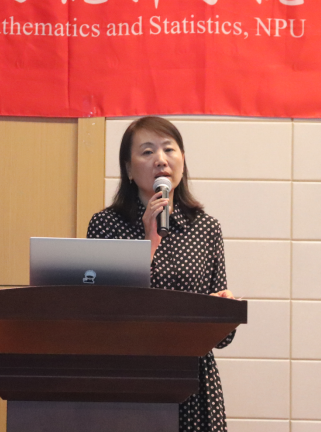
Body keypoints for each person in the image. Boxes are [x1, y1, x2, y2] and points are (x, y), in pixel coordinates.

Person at [87, 116, 235, 432]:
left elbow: (222, 337)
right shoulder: (106, 225)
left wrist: (223, 309)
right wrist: (149, 242)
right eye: (147, 151)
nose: (161, 160)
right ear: (128, 169)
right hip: (127, 376)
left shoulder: (206, 228)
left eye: (169, 149)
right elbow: (104, 312)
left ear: (182, 161)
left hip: (192, 380)